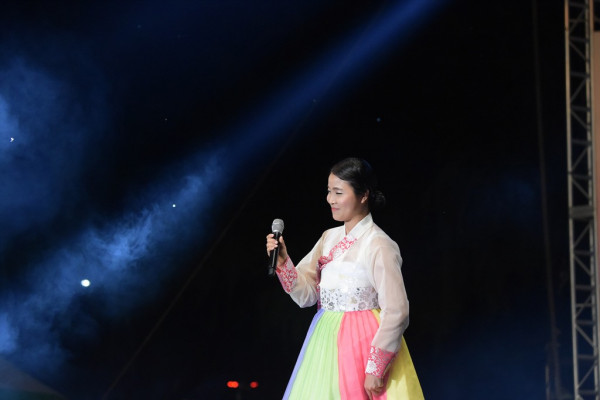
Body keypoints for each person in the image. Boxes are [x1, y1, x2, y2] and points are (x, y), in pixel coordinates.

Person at [266, 157, 423, 400]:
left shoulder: (379, 244)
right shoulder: (329, 237)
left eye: (338, 192)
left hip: (362, 343)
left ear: (363, 195)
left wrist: (376, 367)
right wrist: (283, 264)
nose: (331, 199)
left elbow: (397, 310)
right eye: (329, 191)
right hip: (325, 341)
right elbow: (307, 296)